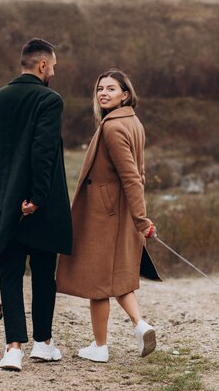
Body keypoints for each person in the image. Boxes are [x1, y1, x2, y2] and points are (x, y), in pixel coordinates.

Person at [0, 38, 72, 371]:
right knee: (44, 274)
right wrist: (36, 197)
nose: (54, 73)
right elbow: (43, 152)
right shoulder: (49, 100)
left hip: (5, 203)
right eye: (54, 67)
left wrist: (0, 196)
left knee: (11, 272)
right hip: (40, 205)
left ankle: (13, 348)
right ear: (43, 65)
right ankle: (43, 344)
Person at [56, 69, 161, 363]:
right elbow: (138, 173)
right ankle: (141, 325)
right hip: (118, 212)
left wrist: (142, 220)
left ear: (125, 95)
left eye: (111, 89)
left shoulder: (113, 128)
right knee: (116, 279)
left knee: (97, 282)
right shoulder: (131, 121)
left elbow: (132, 177)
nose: (103, 93)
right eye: (100, 88)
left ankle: (99, 347)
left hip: (106, 215)